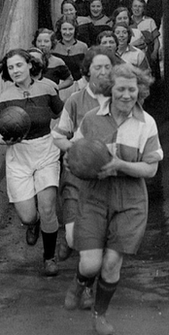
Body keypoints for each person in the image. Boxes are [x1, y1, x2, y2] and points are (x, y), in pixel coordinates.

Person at [63, 63, 163, 335]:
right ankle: (80, 282)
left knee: (111, 263)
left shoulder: (147, 124)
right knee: (91, 263)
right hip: (94, 195)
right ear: (110, 89)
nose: (127, 95)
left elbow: (151, 168)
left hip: (130, 199)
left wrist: (120, 165)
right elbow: (75, 152)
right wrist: (72, 161)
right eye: (121, 89)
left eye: (133, 89)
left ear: (139, 90)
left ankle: (100, 314)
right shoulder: (92, 119)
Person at [51, 46, 120, 306]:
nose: (103, 72)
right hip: (77, 177)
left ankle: (88, 286)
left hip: (104, 179)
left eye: (107, 67)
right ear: (87, 70)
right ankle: (72, 248)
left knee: (99, 238)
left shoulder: (121, 100)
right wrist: (80, 150)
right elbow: (58, 137)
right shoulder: (75, 100)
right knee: (72, 236)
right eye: (97, 67)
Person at [0, 49, 64, 276]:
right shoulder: (5, 96)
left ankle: (49, 258)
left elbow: (62, 115)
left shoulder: (48, 88)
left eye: (18, 65)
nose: (15, 71)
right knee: (27, 215)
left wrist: (58, 135)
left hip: (45, 150)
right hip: (18, 154)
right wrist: (6, 139)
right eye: (11, 67)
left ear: (29, 65)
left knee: (47, 208)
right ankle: (33, 224)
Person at [51, 15, 89, 83]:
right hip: (58, 85)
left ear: (75, 30)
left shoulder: (83, 47)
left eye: (70, 29)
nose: (67, 32)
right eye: (64, 29)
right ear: (60, 30)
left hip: (78, 85)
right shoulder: (54, 47)